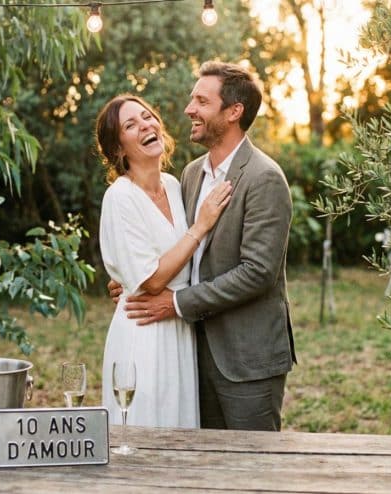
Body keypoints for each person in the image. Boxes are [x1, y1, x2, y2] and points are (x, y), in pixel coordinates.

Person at [115, 61, 296, 431]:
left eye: (201, 101)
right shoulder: (191, 173)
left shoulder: (264, 179)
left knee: (251, 470)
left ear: (233, 112)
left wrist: (176, 303)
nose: (188, 110)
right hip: (193, 354)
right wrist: (135, 277)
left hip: (247, 359)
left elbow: (257, 273)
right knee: (205, 467)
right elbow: (182, 246)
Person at [95, 94, 232, 428]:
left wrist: (128, 280)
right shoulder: (120, 197)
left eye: (147, 116)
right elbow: (152, 280)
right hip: (144, 331)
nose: (145, 125)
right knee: (145, 430)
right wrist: (201, 225)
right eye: (131, 124)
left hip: (180, 330)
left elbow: (181, 259)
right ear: (119, 148)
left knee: (180, 430)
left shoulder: (174, 185)